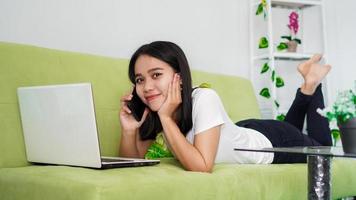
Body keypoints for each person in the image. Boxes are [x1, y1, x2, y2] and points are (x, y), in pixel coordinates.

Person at [119, 41, 332, 172]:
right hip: (244, 131)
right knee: (292, 130)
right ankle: (307, 86)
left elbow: (201, 167)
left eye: (156, 75)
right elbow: (131, 166)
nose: (146, 87)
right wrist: (129, 131)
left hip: (270, 140)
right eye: (139, 79)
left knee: (324, 148)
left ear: (180, 77)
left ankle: (312, 84)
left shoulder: (204, 98)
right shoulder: (155, 112)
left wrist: (166, 119)